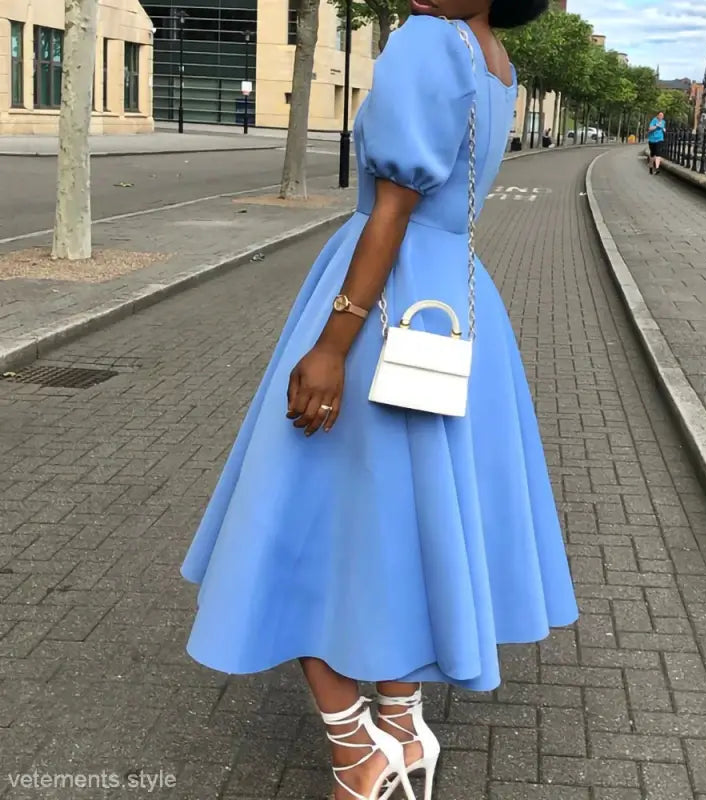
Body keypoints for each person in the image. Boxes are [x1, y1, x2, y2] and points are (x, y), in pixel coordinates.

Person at [180, 0, 578, 798]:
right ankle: (400, 727)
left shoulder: (426, 40)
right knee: (401, 519)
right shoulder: (493, 59)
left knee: (299, 517)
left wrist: (332, 344)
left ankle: (358, 750)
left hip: (381, 298)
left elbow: (392, 206)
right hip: (454, 304)